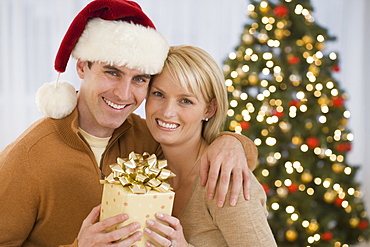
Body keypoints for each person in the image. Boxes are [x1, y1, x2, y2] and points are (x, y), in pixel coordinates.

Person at [0, 1, 257, 247]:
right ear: (81, 66)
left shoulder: (149, 138)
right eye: (112, 72)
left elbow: (199, 153)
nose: (123, 94)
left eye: (139, 79)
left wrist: (232, 142)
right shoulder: (28, 157)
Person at [142, 45, 277, 247]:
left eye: (185, 101)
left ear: (209, 109)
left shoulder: (228, 181)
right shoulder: (146, 164)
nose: (167, 112)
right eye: (158, 94)